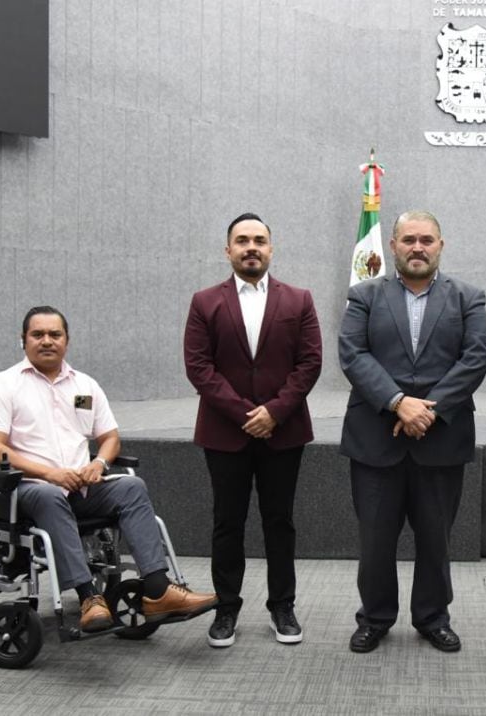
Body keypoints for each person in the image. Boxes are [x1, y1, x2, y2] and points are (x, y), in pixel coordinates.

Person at [0, 306, 217, 633]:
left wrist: (98, 463)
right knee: (48, 495)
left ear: (67, 341)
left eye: (55, 334)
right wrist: (50, 474)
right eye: (38, 334)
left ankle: (158, 590)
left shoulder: (83, 387)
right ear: (23, 340)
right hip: (26, 491)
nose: (47, 341)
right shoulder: (3, 386)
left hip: (81, 488)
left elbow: (110, 437)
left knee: (132, 486)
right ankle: (89, 598)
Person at [337, 210, 486, 654]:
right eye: (409, 240)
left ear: (441, 245)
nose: (417, 247)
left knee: (436, 541)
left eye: (426, 239)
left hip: (441, 439)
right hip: (375, 439)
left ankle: (432, 618)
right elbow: (353, 353)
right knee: (375, 543)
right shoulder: (363, 294)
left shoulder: (469, 297)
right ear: (392, 245)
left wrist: (429, 410)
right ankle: (375, 619)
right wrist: (397, 402)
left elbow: (475, 358)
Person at [183, 213, 323, 647]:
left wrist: (274, 412)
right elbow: (199, 367)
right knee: (227, 522)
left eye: (259, 240)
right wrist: (247, 414)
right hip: (226, 433)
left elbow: (310, 363)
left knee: (279, 521)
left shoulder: (299, 300)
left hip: (284, 432)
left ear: (271, 248)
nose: (251, 247)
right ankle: (226, 609)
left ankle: (283, 607)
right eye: (242, 240)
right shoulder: (205, 301)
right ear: (227, 250)